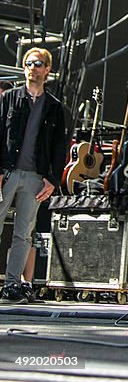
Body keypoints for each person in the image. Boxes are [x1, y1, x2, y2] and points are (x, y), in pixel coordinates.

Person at [0, 47, 67, 304]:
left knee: (23, 233)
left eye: (38, 64)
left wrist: (52, 179)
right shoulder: (9, 98)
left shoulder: (54, 107)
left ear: (47, 69)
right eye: (29, 63)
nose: (33, 68)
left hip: (34, 177)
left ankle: (12, 285)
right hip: (7, 172)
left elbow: (59, 147)